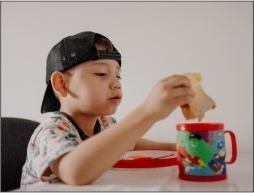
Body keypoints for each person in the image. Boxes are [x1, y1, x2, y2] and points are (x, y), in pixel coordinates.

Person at [20, 31, 194, 187]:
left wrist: (174, 147)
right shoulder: (52, 130)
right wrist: (148, 111)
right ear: (61, 83)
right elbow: (75, 172)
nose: (116, 83)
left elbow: (131, 142)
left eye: (118, 76)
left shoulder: (105, 122)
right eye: (101, 74)